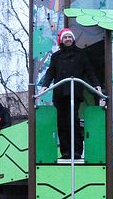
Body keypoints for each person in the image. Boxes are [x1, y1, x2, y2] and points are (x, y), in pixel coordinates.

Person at [39, 28, 102, 159]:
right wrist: (45, 86)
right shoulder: (56, 56)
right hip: (60, 93)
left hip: (74, 92)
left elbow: (90, 71)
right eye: (65, 37)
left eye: (69, 37)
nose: (67, 39)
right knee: (62, 122)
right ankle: (65, 152)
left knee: (73, 120)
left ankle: (77, 151)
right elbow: (50, 72)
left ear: (73, 39)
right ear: (61, 40)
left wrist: (97, 86)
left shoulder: (81, 54)